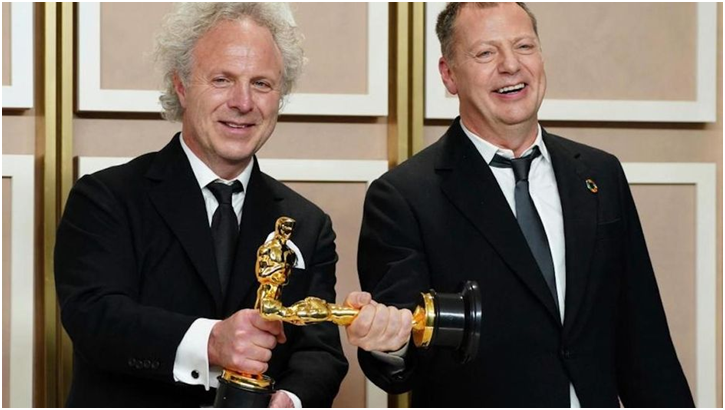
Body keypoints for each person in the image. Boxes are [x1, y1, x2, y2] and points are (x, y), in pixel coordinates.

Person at [345, 2, 694, 407]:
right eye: (485, 53)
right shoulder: (403, 197)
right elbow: (402, 354)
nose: (510, 65)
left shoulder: (601, 174)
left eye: (524, 46)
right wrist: (387, 344)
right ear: (449, 74)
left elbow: (645, 341)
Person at [54, 3, 347, 407]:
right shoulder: (106, 197)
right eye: (223, 79)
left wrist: (292, 399)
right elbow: (95, 318)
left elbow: (320, 352)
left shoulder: (308, 223)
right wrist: (210, 342)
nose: (243, 102)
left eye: (261, 84)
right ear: (181, 85)